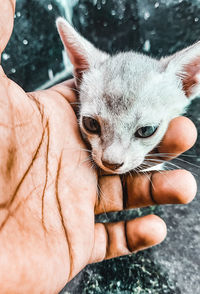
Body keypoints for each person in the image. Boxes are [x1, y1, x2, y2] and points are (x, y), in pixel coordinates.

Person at [0, 1, 197, 293]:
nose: (112, 156)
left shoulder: (174, 84)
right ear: (79, 71)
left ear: (188, 84)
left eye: (144, 131)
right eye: (93, 125)